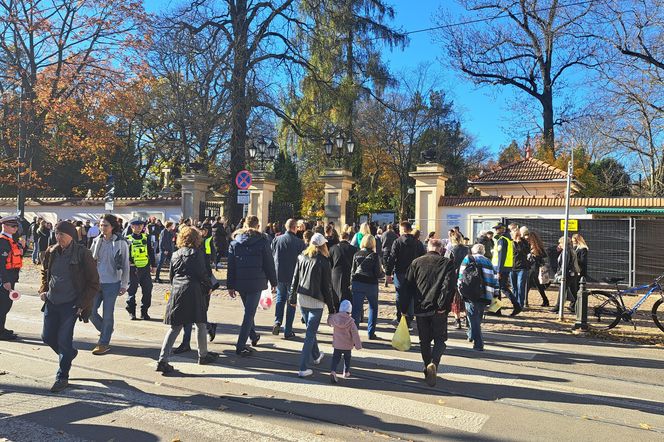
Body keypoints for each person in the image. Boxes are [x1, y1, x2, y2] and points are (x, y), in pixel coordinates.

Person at [39, 221, 100, 392]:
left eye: (62, 235)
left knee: (64, 340)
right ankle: (68, 354)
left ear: (71, 236)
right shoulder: (52, 251)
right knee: (47, 337)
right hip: (51, 302)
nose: (59, 237)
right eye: (57, 234)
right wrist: (43, 290)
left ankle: (62, 376)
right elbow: (45, 273)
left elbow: (94, 283)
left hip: (71, 305)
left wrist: (82, 304)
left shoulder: (83, 253)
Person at [156, 226, 219, 374]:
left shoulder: (175, 254)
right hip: (194, 290)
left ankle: (162, 359)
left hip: (177, 290)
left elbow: (171, 275)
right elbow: (202, 274)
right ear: (196, 239)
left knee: (175, 327)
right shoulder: (198, 254)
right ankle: (202, 355)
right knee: (200, 323)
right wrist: (209, 286)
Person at [402, 239, 456, 387]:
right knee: (440, 339)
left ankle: (427, 365)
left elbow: (408, 286)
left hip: (420, 307)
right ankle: (434, 363)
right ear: (441, 249)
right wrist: (442, 305)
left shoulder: (416, 262)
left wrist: (404, 308)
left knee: (424, 341)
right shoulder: (447, 263)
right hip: (438, 309)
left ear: (428, 248)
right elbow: (448, 286)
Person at [227, 215, 277, 357]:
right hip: (256, 282)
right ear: (257, 225)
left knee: (248, 311)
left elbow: (231, 265)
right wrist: (274, 282)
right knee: (249, 314)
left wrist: (230, 285)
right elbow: (269, 263)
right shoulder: (262, 240)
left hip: (241, 282)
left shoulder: (235, 242)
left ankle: (253, 336)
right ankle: (241, 345)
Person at [290, 232, 336, 377]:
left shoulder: (301, 257)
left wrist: (291, 298)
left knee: (310, 329)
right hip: (316, 300)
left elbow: (295, 279)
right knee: (310, 334)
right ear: (323, 246)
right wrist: (332, 308)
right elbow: (327, 287)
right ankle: (303, 367)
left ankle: (316, 356)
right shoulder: (324, 261)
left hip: (302, 297)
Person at [89, 214, 130, 355]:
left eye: (105, 225)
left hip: (112, 283)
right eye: (100, 225)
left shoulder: (121, 242)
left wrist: (124, 284)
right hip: (96, 282)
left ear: (112, 227)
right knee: (90, 312)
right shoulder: (96, 241)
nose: (102, 228)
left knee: (108, 314)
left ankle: (103, 342)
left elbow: (125, 264)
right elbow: (91, 260)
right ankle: (106, 330)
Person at [458, 243, 497, 351]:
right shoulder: (488, 261)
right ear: (483, 251)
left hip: (470, 292)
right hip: (485, 293)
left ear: (473, 250)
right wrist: (496, 295)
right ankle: (471, 335)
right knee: (478, 317)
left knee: (472, 317)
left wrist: (460, 290)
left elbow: (461, 276)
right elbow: (495, 279)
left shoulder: (468, 258)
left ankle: (478, 343)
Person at [386, 221, 425, 327]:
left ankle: (400, 316)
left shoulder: (397, 242)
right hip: (414, 273)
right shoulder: (418, 243)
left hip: (400, 272)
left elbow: (392, 258)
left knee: (400, 295)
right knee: (411, 295)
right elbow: (423, 258)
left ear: (403, 229)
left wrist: (388, 273)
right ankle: (409, 317)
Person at [271, 218, 305, 339]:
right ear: (295, 228)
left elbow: (272, 255)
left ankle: (277, 321)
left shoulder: (277, 239)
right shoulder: (299, 243)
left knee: (280, 298)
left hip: (279, 274)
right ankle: (288, 330)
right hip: (293, 276)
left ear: (286, 227)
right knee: (291, 301)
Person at [350, 234, 384, 339]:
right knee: (373, 308)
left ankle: (354, 334)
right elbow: (378, 273)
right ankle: (371, 332)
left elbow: (352, 271)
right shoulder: (374, 255)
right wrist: (383, 274)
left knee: (356, 309)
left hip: (358, 283)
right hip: (371, 284)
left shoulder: (356, 254)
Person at [125, 218, 156, 320]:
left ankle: (144, 312)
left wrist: (154, 265)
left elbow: (151, 252)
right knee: (131, 291)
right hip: (133, 269)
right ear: (132, 226)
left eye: (141, 225)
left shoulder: (146, 237)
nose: (139, 227)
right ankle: (131, 312)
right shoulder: (127, 239)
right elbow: (124, 253)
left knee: (147, 290)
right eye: (136, 225)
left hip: (145, 268)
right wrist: (128, 261)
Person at [0, 216, 24, 341]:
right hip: (5, 278)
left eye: (16, 226)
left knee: (6, 305)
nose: (16, 228)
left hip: (11, 276)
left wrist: (22, 249)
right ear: (4, 226)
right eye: (13, 226)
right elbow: (1, 263)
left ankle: (1, 328)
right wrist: (5, 281)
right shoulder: (2, 241)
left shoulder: (11, 240)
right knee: (3, 305)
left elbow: (17, 257)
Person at [327, 299, 362, 383]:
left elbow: (329, 322)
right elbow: (355, 334)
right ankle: (346, 372)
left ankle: (333, 371)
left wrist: (330, 316)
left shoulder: (335, 318)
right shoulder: (351, 321)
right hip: (347, 345)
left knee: (335, 358)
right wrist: (358, 345)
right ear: (349, 311)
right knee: (347, 358)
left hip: (337, 344)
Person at [445, 230, 469, 329]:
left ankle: (457, 321)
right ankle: (467, 320)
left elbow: (446, 264)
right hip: (466, 276)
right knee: (466, 298)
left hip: (454, 276)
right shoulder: (467, 249)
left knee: (456, 300)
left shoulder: (451, 250)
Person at [328, 227, 357, 308]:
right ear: (347, 238)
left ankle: (336, 309)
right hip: (348, 273)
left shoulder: (333, 248)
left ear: (340, 238)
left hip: (335, 274)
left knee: (336, 294)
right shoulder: (353, 249)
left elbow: (329, 263)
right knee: (348, 294)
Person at [492, 222, 514, 315]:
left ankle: (497, 310)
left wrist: (498, 271)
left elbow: (501, 257)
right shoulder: (506, 239)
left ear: (502, 229)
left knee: (500, 288)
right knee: (501, 288)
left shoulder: (502, 240)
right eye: (496, 229)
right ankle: (496, 310)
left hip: (500, 268)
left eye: (498, 228)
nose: (496, 230)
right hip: (504, 267)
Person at [509, 226, 530, 316]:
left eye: (517, 233)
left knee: (520, 286)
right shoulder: (510, 242)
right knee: (514, 287)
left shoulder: (524, 242)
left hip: (522, 267)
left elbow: (524, 252)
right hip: (512, 267)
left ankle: (520, 304)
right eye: (514, 233)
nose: (516, 235)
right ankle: (516, 304)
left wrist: (519, 242)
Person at [526, 230, 550, 307]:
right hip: (535, 267)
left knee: (528, 284)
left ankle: (524, 301)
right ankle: (545, 300)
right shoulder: (538, 245)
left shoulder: (534, 247)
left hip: (533, 267)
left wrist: (533, 255)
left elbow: (542, 256)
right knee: (538, 285)